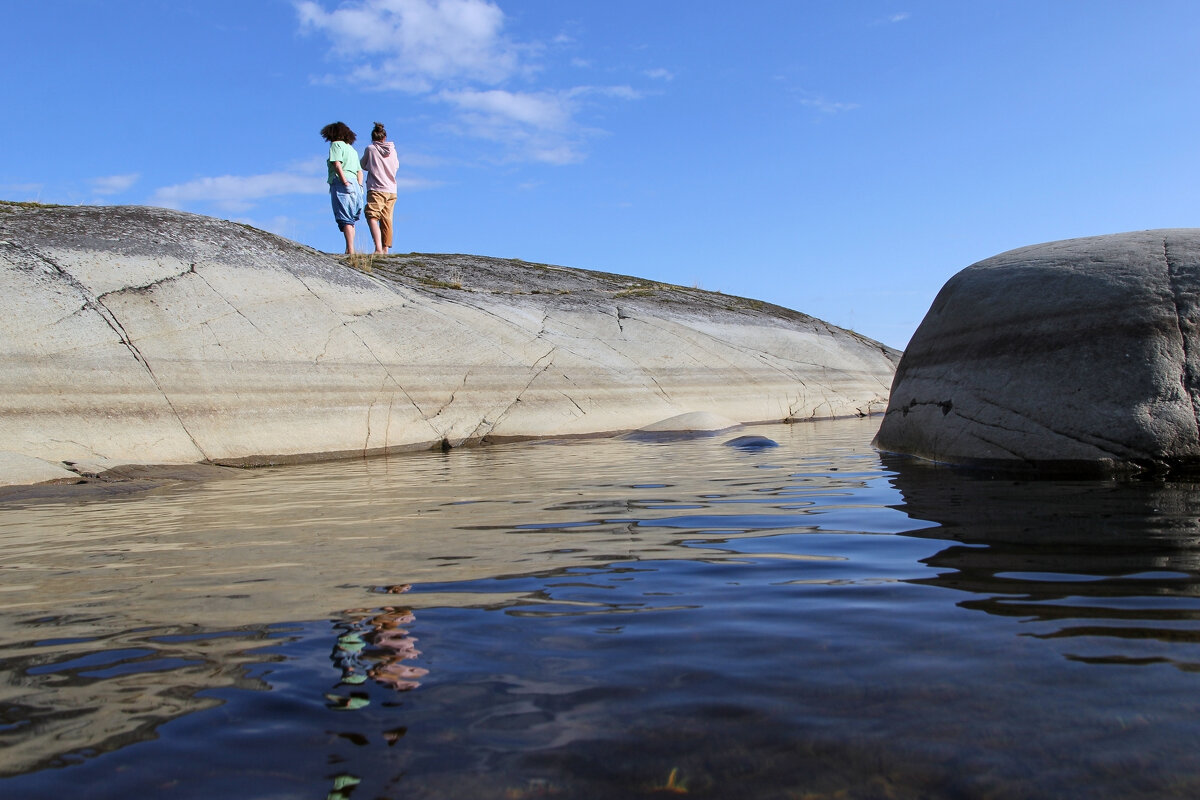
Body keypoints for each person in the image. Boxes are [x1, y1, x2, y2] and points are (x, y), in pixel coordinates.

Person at [321, 121, 364, 254]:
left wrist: (344, 181)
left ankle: (350, 249)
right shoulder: (352, 149)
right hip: (356, 185)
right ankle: (350, 248)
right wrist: (360, 187)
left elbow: (337, 164)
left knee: (345, 217)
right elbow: (360, 171)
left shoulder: (336, 145)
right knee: (351, 219)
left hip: (342, 182)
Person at [360, 122, 401, 254]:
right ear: (385, 137)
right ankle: (385, 249)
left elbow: (363, 165)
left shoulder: (371, 149)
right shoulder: (393, 150)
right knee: (387, 219)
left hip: (377, 187)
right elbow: (396, 166)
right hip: (391, 188)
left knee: (372, 216)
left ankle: (378, 248)